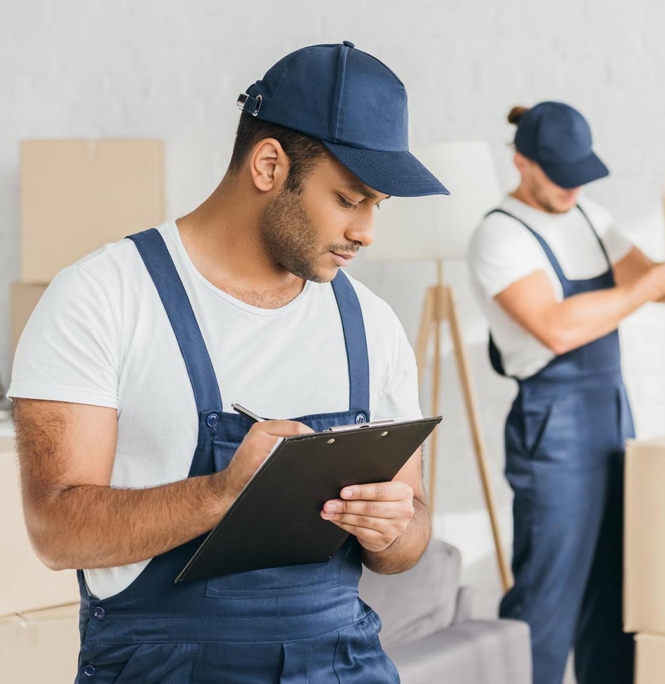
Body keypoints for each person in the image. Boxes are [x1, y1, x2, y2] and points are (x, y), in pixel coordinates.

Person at [10, 41, 448, 684]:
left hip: (343, 663)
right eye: (349, 199)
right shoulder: (103, 297)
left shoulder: (371, 324)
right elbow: (55, 530)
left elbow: (411, 535)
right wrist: (221, 495)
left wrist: (391, 528)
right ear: (269, 165)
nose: (367, 233)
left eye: (377, 205)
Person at [467, 101, 665, 684]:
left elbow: (659, 280)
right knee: (548, 600)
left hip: (613, 416)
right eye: (558, 174)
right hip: (553, 426)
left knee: (619, 592)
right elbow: (556, 326)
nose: (572, 186)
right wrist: (660, 280)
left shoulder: (588, 214)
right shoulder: (499, 234)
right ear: (521, 161)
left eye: (579, 173)